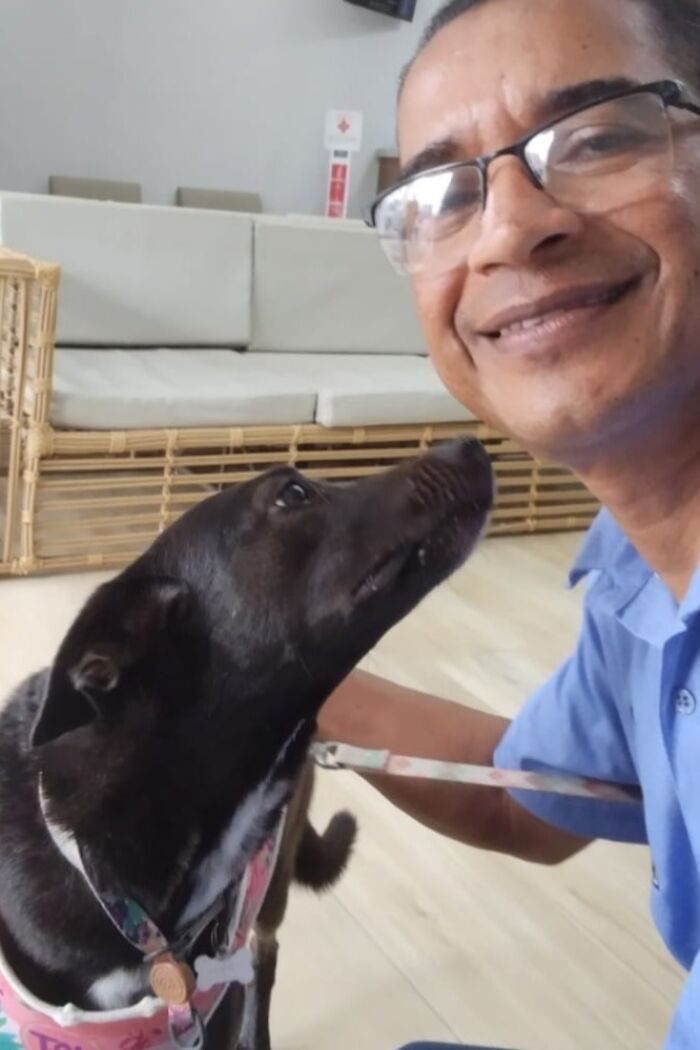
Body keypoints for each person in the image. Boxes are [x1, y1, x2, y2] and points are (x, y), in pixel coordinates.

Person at [317, 0, 700, 1046]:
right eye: (443, 193)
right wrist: (280, 675)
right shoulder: (639, 579)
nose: (507, 228)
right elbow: (523, 800)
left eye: (597, 139)